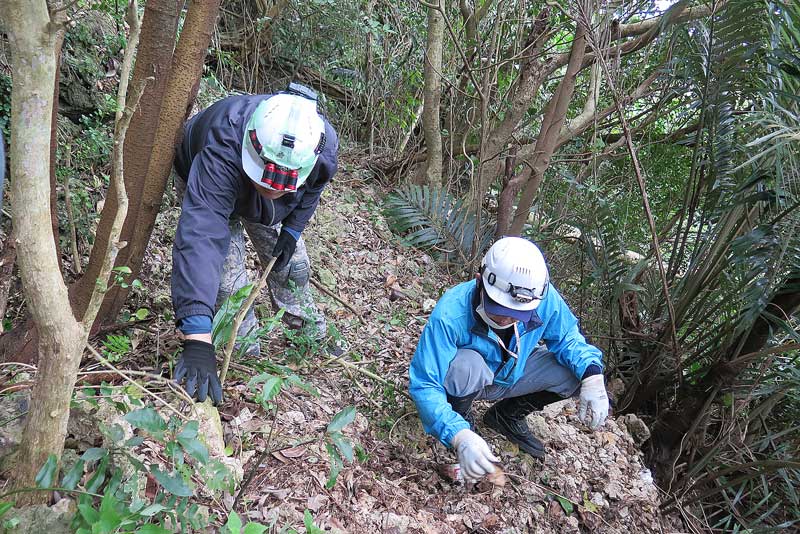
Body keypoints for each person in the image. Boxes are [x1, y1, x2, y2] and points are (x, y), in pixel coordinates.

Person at [171, 83, 338, 405]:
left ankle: (308, 335)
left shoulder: (321, 144)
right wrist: (196, 336)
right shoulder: (224, 143)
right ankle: (245, 352)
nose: (271, 188)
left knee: (293, 266)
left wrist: (292, 230)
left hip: (270, 203)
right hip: (212, 179)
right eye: (267, 181)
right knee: (226, 284)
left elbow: (313, 190)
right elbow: (200, 235)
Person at [409, 237, 609, 482]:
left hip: (512, 373)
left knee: (575, 372)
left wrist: (593, 376)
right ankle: (461, 418)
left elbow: (567, 337)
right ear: (480, 282)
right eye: (499, 309)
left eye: (516, 313)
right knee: (466, 366)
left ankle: (505, 416)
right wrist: (459, 435)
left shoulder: (541, 297)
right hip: (469, 379)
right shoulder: (451, 313)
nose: (505, 319)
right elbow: (425, 383)